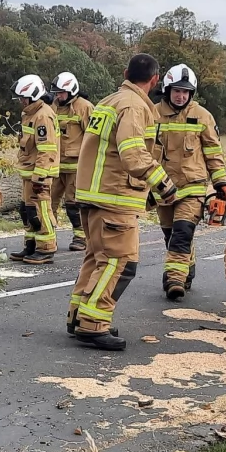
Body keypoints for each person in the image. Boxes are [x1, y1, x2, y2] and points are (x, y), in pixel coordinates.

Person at [67, 54, 177, 350]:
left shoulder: (109, 101)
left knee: (95, 257)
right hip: (115, 196)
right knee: (121, 262)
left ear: (126, 73)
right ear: (155, 80)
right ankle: (93, 324)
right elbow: (133, 154)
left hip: (91, 194)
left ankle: (78, 317)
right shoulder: (135, 106)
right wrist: (164, 184)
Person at [146, 63, 226, 301]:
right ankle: (187, 265)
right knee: (169, 235)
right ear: (167, 90)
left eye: (185, 91)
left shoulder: (202, 115)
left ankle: (174, 278)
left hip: (192, 188)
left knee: (182, 233)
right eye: (177, 91)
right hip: (163, 188)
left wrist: (221, 183)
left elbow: (213, 152)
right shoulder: (152, 114)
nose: (181, 95)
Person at [9, 74, 60, 265]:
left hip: (39, 174)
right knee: (27, 210)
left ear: (33, 96)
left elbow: (47, 149)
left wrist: (40, 176)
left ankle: (46, 248)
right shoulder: (29, 114)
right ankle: (30, 245)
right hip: (28, 172)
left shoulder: (43, 115)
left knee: (41, 211)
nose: (21, 101)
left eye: (23, 98)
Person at [48, 72, 94, 252]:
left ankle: (80, 236)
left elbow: (93, 138)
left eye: (62, 93)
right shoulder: (52, 107)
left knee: (74, 204)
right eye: (57, 93)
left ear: (71, 91)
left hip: (76, 167)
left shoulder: (85, 107)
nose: (58, 96)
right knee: (48, 202)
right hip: (55, 165)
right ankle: (47, 237)